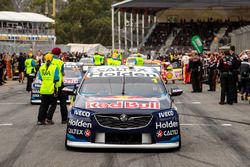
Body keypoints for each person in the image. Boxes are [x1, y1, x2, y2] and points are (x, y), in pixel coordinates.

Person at [37, 53, 59, 125]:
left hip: (43, 89)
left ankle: (40, 120)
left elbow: (40, 78)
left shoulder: (41, 67)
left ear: (45, 59)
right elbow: (56, 79)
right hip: (51, 89)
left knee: (43, 105)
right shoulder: (55, 67)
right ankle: (49, 119)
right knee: (53, 104)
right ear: (52, 59)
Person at [50, 48, 68, 124]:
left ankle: (48, 118)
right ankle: (64, 120)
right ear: (59, 53)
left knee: (52, 103)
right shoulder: (61, 62)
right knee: (63, 102)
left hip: (50, 84)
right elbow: (63, 73)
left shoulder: (49, 61)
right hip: (59, 84)